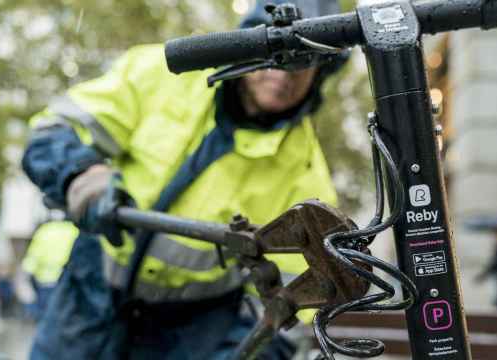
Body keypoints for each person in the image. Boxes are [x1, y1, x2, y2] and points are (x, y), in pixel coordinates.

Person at [20, 0, 347, 359]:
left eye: (303, 63)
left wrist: (247, 349)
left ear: (321, 73)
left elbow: (295, 298)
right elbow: (54, 132)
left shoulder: (306, 175)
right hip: (89, 293)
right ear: (247, 43)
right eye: (277, 55)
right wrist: (84, 177)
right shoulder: (159, 73)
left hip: (192, 332)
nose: (284, 76)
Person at [21, 218, 78, 320]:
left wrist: (25, 274)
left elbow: (32, 259)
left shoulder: (45, 231)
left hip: (46, 284)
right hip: (69, 284)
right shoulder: (74, 230)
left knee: (47, 320)